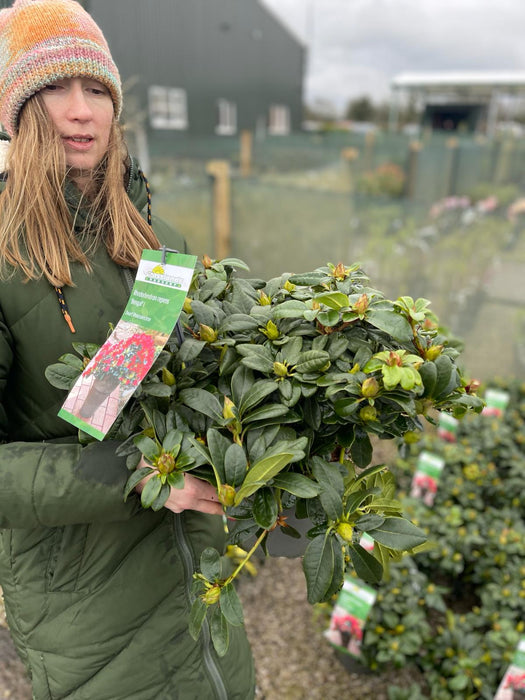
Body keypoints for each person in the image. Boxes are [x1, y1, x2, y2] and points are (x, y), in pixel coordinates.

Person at [0, 1, 255, 698]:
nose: (80, 111)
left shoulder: (154, 236)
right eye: (53, 88)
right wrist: (139, 478)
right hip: (85, 607)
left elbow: (173, 377)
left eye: (97, 91)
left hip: (197, 581)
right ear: (15, 110)